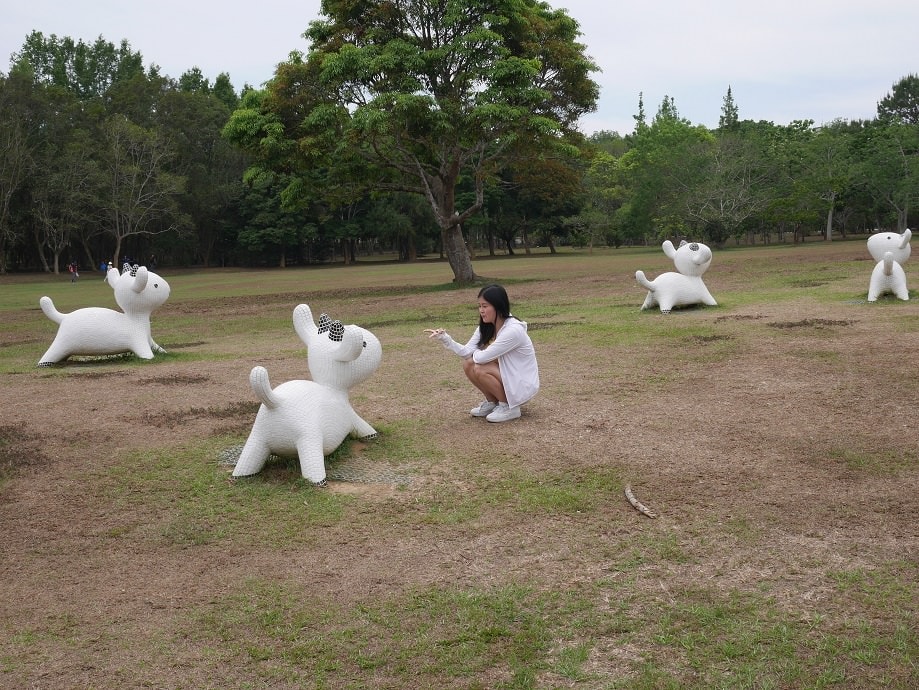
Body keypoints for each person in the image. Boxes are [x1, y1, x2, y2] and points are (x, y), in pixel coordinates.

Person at [424, 284, 539, 422]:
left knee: (479, 366)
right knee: (468, 364)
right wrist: (445, 338)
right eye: (480, 306)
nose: (481, 311)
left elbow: (481, 357)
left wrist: (476, 353)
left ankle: (509, 407)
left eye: (485, 306)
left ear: (498, 306)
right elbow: (467, 352)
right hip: (508, 376)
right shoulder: (486, 327)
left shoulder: (513, 330)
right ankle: (493, 403)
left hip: (520, 383)